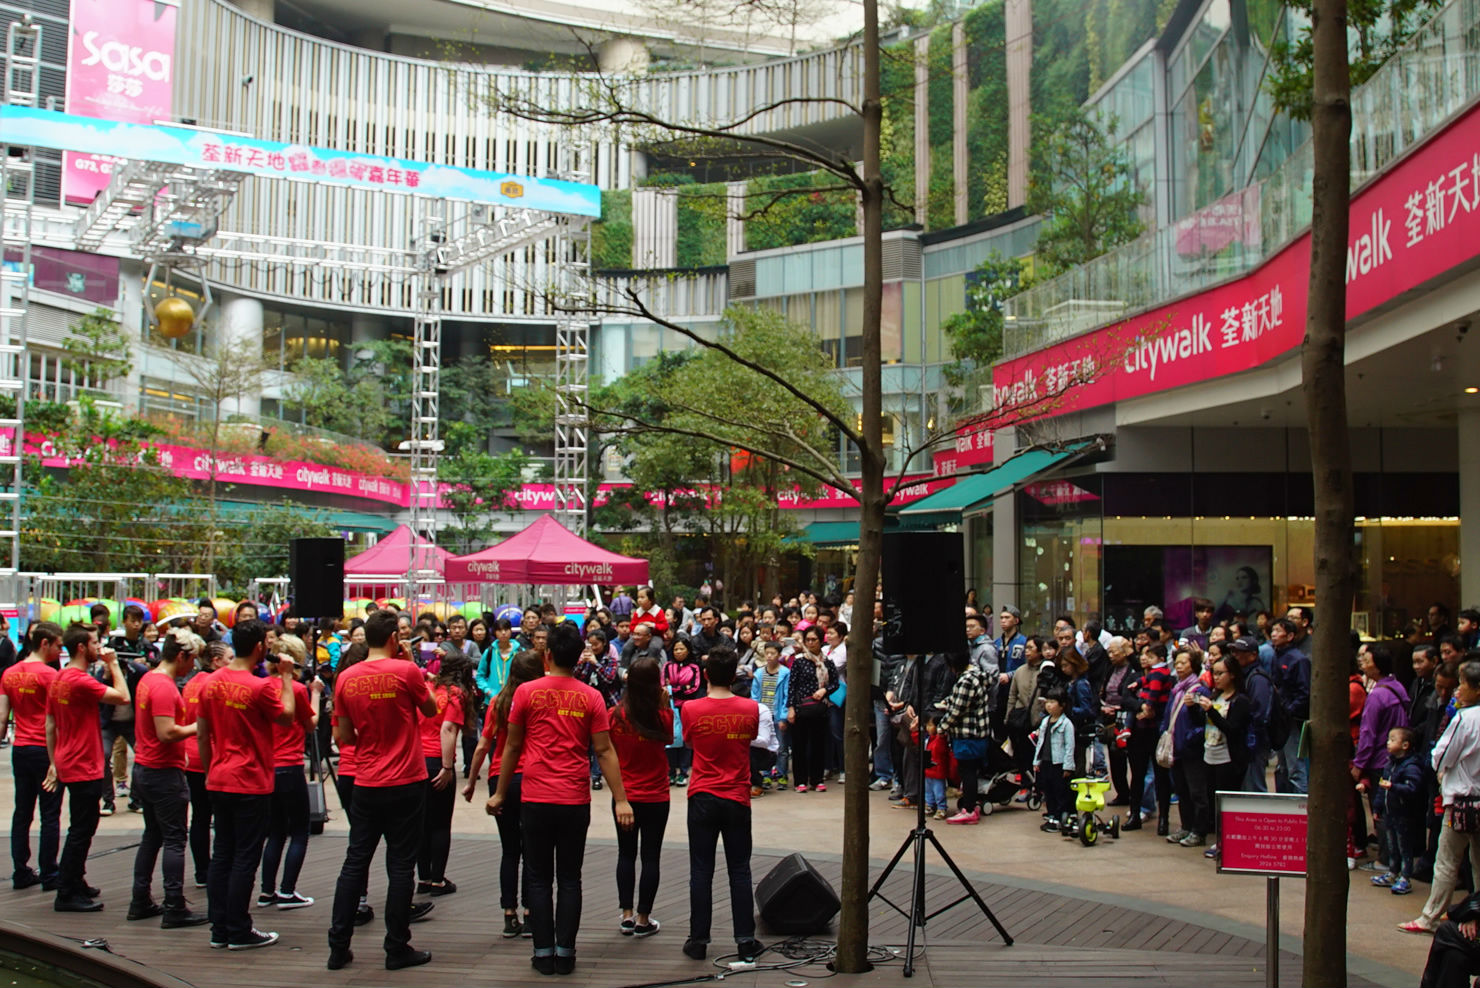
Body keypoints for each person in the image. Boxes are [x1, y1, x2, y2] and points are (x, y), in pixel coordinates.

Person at [488, 623, 634, 976]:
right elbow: (604, 750)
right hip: (573, 799)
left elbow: (512, 746)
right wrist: (621, 799)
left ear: (548, 655)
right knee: (570, 878)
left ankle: (543, 953)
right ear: (579, 656)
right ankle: (565, 953)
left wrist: (500, 792)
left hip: (536, 798)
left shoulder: (526, 693)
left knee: (538, 878)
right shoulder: (591, 696)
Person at [326, 610, 438, 970]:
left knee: (355, 861)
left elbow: (343, 736)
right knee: (401, 865)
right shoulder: (406, 671)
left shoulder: (346, 678)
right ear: (394, 638)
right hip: (406, 780)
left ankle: (338, 946)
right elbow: (431, 709)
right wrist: (410, 663)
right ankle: (396, 947)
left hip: (366, 780)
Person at [197, 619, 298, 950]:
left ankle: (219, 929)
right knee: (245, 857)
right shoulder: (260, 687)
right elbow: (287, 716)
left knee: (222, 853)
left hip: (219, 777)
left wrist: (211, 770)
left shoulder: (210, 683)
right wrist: (285, 677)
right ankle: (239, 929)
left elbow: (202, 734)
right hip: (250, 781)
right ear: (259, 647)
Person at [679, 645, 762, 963]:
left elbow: (689, 741)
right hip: (737, 796)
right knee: (739, 869)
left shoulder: (691, 708)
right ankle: (745, 940)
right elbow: (750, 738)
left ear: (705, 674)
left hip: (702, 793)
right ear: (734, 675)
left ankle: (698, 940)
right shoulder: (750, 708)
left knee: (701, 870)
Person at [45, 623, 130, 911]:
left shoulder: (59, 677)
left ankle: (74, 881)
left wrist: (54, 761)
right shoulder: (79, 680)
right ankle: (67, 892)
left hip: (70, 759)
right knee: (82, 829)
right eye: (95, 643)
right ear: (81, 647)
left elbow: (50, 724)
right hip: (83, 762)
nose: (99, 648)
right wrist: (114, 664)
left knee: (81, 825)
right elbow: (123, 697)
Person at [127, 630, 209, 927]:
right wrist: (201, 726)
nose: (193, 667)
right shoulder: (163, 686)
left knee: (153, 836)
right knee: (174, 839)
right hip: (162, 771)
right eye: (192, 660)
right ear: (181, 656)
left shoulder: (149, 679)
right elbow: (167, 732)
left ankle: (140, 899)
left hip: (147, 768)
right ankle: (174, 905)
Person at [463, 650, 545, 939]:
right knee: (533, 850)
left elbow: (483, 745)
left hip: (501, 779)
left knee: (510, 850)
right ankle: (530, 913)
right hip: (532, 778)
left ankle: (509, 913)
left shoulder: (498, 702)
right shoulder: (539, 700)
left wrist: (471, 781)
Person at [1403, 660, 1480, 934]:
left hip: (1461, 800)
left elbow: (1441, 755)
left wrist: (1440, 769)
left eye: (1463, 684)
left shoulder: (1464, 718)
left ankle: (1431, 917)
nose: (1458, 690)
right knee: (1477, 863)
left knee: (1446, 861)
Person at [608, 656, 672, 938]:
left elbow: (607, 749)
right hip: (656, 795)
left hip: (625, 795)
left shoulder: (615, 715)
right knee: (651, 856)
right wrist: (664, 705)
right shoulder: (662, 716)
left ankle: (626, 914)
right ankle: (644, 919)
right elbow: (669, 739)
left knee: (626, 853)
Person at [257, 635, 322, 912]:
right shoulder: (295, 689)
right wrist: (315, 693)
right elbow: (310, 724)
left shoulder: (260, 687)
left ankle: (267, 891)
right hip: (290, 764)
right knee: (299, 830)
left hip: (266, 766)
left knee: (275, 831)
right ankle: (287, 891)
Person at [2, 622, 62, 890]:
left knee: (22, 811)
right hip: (44, 750)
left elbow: (2, 716)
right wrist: (56, 759)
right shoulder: (50, 675)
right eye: (58, 645)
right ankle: (49, 873)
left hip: (21, 749)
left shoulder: (9, 674)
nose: (60, 650)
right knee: (50, 813)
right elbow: (54, 720)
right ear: (44, 643)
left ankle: (20, 871)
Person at [417, 652, 473, 897]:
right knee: (440, 823)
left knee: (422, 822)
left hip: (417, 759)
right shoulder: (455, 694)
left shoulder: (427, 688)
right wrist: (447, 766)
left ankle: (424, 877)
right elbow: (447, 729)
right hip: (437, 760)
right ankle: (438, 880)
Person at [1190, 654, 1251, 859]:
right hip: (1210, 754)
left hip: (1228, 758)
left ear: (1232, 675)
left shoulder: (1240, 701)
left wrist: (1212, 711)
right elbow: (1201, 723)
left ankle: (1228, 843)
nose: (1216, 678)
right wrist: (1193, 708)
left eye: (1220, 673)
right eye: (1213, 673)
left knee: (1228, 802)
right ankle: (1220, 840)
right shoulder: (1215, 696)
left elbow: (1233, 730)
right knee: (1213, 801)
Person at [181, 639, 227, 889]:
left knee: (199, 816)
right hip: (211, 754)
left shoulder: (191, 683)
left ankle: (202, 871)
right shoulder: (216, 684)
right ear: (216, 661)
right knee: (220, 816)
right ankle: (219, 868)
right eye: (229, 659)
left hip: (191, 756)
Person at [939, 649, 992, 825]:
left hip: (968, 733)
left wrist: (941, 728)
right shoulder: (976, 675)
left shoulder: (966, 680)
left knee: (967, 772)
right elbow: (959, 699)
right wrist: (948, 701)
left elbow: (957, 710)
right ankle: (970, 806)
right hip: (976, 733)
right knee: (969, 771)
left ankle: (969, 809)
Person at [1124, 643, 1172, 832]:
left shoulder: (1165, 676)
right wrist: (1141, 706)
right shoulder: (1137, 677)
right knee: (1137, 775)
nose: (1144, 658)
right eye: (1142, 654)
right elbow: (1126, 697)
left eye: (1148, 655)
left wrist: (1152, 709)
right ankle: (1135, 814)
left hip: (1157, 731)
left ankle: (1164, 819)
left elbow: (1166, 702)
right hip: (1138, 731)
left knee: (1161, 776)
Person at [1372, 727, 1425, 895]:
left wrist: (1393, 787)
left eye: (1392, 740)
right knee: (1392, 845)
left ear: (1405, 745)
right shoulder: (1390, 764)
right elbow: (1382, 789)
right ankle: (1392, 873)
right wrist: (1377, 807)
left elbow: (1413, 788)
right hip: (1390, 813)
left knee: (1404, 847)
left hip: (1404, 814)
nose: (1388, 743)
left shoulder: (1411, 766)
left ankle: (1405, 877)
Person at [1165, 647, 1209, 847]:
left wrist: (1191, 739)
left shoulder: (1199, 690)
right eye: (1177, 663)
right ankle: (1186, 826)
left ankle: (1199, 831)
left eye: (1184, 662)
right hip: (1177, 748)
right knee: (1181, 790)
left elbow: (1202, 720)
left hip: (1192, 750)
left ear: (1194, 665)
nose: (1179, 666)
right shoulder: (1176, 689)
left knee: (1196, 792)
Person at [786, 628, 838, 793]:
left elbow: (835, 683)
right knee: (799, 745)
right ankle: (800, 781)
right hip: (801, 708)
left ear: (821, 641)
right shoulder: (799, 661)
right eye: (807, 639)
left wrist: (824, 690)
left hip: (820, 709)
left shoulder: (827, 662)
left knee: (818, 745)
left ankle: (817, 779)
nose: (810, 643)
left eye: (814, 639)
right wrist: (791, 708)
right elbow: (792, 686)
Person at [1034, 688, 1075, 833]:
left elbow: (1070, 746)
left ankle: (1060, 817)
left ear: (1062, 705)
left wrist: (1068, 766)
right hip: (1046, 762)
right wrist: (1036, 761)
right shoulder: (1045, 721)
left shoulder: (1066, 724)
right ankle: (1051, 815)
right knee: (1048, 790)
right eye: (1047, 702)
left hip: (1059, 763)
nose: (1049, 705)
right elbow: (1040, 742)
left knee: (1060, 791)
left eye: (1053, 702)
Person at [664, 637, 704, 786]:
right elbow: (664, 687)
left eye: (681, 649)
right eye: (676, 649)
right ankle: (671, 772)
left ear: (688, 650)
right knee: (671, 739)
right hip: (670, 707)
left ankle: (683, 772)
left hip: (687, 707)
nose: (678, 652)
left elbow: (693, 688)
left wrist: (674, 689)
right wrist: (681, 688)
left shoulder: (694, 667)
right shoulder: (667, 666)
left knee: (686, 739)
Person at [750, 644, 790, 789]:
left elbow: (787, 695)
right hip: (763, 716)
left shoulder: (785, 673)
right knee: (764, 745)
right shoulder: (759, 673)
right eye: (767, 653)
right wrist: (755, 712)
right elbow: (754, 695)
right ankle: (766, 775)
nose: (769, 656)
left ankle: (781, 775)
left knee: (782, 747)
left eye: (772, 653)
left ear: (779, 655)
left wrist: (784, 716)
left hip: (777, 714)